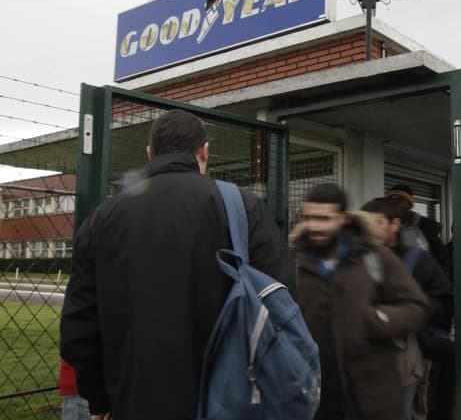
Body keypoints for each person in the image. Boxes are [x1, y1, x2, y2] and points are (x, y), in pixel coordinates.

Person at [60, 110, 295, 420]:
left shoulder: (102, 219)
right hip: (229, 399)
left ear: (149, 153)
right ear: (204, 152)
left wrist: (100, 399)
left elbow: (79, 328)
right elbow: (281, 302)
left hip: (134, 401)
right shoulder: (242, 207)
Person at [291, 184, 429, 420]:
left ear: (342, 219)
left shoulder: (374, 257)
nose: (315, 226)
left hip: (372, 400)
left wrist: (377, 319)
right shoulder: (295, 263)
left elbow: (416, 306)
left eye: (324, 218)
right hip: (317, 402)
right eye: (310, 217)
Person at [362, 197, 454, 420]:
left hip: (405, 358)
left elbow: (445, 305)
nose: (369, 230)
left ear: (394, 225)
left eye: (377, 223)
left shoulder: (419, 261)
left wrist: (411, 310)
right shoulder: (357, 259)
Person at [386, 185, 446, 265]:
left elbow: (442, 260)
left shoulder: (426, 229)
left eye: (399, 200)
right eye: (390, 201)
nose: (394, 204)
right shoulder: (384, 229)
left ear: (410, 205)